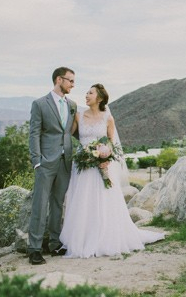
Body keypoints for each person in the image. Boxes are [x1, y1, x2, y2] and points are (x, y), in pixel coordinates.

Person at [59, 83, 164, 258]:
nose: (86, 95)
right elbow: (67, 135)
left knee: (103, 199)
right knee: (82, 200)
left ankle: (104, 236)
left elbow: (111, 142)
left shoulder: (108, 118)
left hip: (102, 166)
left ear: (99, 98)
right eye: (86, 93)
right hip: (83, 165)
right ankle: (81, 238)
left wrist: (105, 156)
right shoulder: (79, 116)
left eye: (90, 93)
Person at [27, 67, 77, 265]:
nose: (73, 84)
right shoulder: (40, 104)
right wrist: (36, 160)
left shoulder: (72, 105)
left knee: (58, 204)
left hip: (66, 162)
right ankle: (34, 249)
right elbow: (34, 133)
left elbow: (72, 132)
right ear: (59, 80)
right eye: (70, 80)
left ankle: (54, 244)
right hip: (45, 162)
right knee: (40, 204)